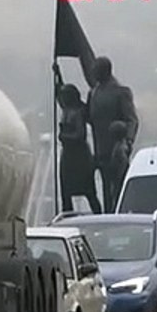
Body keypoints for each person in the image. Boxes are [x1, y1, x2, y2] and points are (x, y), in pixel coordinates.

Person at [87, 56, 139, 211]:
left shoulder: (120, 92)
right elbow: (88, 117)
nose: (93, 72)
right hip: (101, 150)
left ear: (104, 70)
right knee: (106, 193)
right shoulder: (93, 93)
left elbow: (131, 120)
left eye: (95, 69)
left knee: (118, 190)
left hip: (117, 149)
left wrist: (128, 141)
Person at [53, 63, 102, 213]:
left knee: (89, 192)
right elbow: (59, 91)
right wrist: (57, 74)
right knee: (66, 193)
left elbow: (80, 135)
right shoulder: (66, 109)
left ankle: (99, 216)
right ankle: (68, 215)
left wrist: (64, 136)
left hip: (79, 158)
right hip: (68, 157)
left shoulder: (79, 111)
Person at [101, 121, 132, 211]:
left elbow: (121, 165)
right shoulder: (123, 146)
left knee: (116, 199)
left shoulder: (119, 149)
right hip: (119, 178)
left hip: (118, 179)